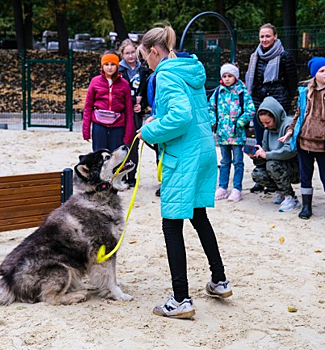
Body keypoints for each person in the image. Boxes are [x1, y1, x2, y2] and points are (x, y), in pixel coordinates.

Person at [137, 24, 232, 320]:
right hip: (203, 148)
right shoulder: (189, 70)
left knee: (172, 224)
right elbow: (186, 111)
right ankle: (219, 280)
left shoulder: (165, 75)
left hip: (185, 155)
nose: (146, 65)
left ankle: (180, 299)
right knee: (198, 216)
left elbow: (180, 115)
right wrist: (159, 119)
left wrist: (150, 130)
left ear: (155, 51)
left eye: (145, 58)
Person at [279, 57, 325, 224]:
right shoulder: (305, 92)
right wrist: (290, 132)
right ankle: (306, 206)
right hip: (305, 142)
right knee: (305, 175)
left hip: (324, 144)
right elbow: (298, 115)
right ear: (314, 74)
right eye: (321, 70)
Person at [245, 23, 298, 193]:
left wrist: (284, 101)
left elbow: (292, 83)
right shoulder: (255, 57)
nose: (265, 39)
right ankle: (264, 179)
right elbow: (253, 81)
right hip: (259, 102)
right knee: (262, 141)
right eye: (262, 36)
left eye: (268, 36)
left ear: (275, 36)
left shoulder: (284, 56)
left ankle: (279, 177)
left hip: (278, 103)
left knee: (278, 142)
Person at [209, 63, 255, 202]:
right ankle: (222, 187)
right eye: (224, 76)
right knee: (224, 161)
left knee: (238, 161)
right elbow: (210, 108)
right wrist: (214, 122)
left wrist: (240, 122)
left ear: (235, 77)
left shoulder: (242, 92)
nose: (227, 79)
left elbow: (250, 109)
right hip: (222, 134)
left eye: (230, 76)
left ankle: (237, 189)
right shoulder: (218, 92)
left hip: (237, 134)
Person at [250, 96, 300, 212]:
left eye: (268, 122)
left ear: (276, 116)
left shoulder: (288, 125)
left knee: (272, 164)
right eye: (263, 123)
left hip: (295, 167)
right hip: (277, 166)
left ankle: (290, 197)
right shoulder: (267, 130)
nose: (265, 126)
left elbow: (290, 150)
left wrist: (267, 155)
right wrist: (257, 155)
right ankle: (281, 192)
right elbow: (265, 151)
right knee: (257, 174)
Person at [82, 51, 134, 152]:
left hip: (117, 125)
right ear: (102, 66)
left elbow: (128, 110)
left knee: (115, 156)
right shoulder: (95, 82)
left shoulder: (124, 84)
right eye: (106, 64)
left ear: (117, 66)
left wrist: (128, 135)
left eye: (113, 64)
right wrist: (86, 131)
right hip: (99, 125)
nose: (109, 67)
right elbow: (88, 107)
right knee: (99, 155)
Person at [118, 39, 149, 187]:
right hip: (122, 111)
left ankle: (131, 176)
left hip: (136, 112)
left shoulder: (143, 70)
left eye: (132, 53)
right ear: (122, 55)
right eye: (127, 53)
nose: (130, 56)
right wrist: (132, 100)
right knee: (121, 144)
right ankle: (120, 175)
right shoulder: (119, 71)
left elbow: (146, 92)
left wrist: (141, 105)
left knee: (134, 144)